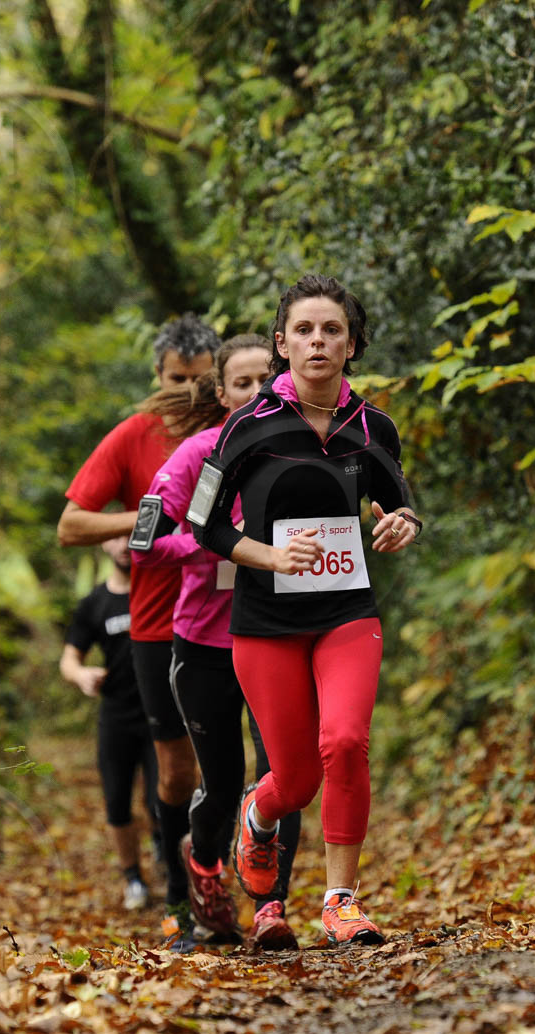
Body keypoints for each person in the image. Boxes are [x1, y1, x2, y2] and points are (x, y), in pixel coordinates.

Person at [192, 275, 422, 948]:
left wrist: (402, 523)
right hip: (265, 622)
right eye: (304, 330)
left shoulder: (374, 426)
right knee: (294, 779)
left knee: (345, 741)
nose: (317, 341)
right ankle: (258, 816)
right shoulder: (247, 425)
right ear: (282, 343)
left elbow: (399, 502)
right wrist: (268, 556)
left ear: (352, 344)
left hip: (347, 612)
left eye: (331, 330)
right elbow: (204, 523)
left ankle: (341, 901)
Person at [132, 336, 304, 950]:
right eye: (242, 383)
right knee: (225, 782)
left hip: (280, 636)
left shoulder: (302, 449)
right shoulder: (197, 454)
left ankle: (270, 906)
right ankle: (203, 864)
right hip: (205, 643)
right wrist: (217, 543)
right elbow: (145, 542)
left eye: (266, 380)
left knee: (283, 774)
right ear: (222, 394)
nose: (257, 392)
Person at [57, 313, 218, 950]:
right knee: (175, 770)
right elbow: (72, 524)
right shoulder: (133, 435)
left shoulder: (237, 426)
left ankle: (237, 891)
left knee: (236, 762)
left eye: (200, 379)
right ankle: (177, 891)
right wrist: (145, 517)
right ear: (157, 375)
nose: (189, 392)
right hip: (158, 624)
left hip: (235, 615)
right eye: (176, 379)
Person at [59, 536, 157, 911]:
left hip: (160, 714)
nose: (126, 544)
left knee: (162, 799)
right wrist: (81, 675)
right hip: (116, 717)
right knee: (117, 802)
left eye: (132, 533)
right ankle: (133, 878)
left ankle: (166, 854)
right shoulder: (94, 603)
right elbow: (69, 660)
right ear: (104, 544)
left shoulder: (161, 589)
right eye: (116, 536)